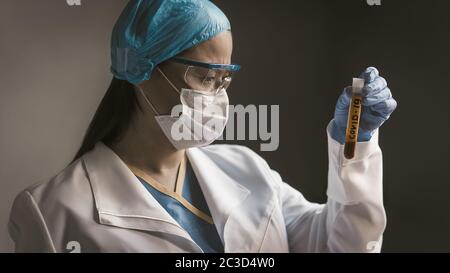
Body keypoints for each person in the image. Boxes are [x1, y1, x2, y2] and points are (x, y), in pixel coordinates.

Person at [8, 0, 396, 253]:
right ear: (140, 68)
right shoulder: (52, 211)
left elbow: (343, 245)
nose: (219, 96)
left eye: (225, 79)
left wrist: (355, 141)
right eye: (205, 77)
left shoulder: (246, 169)